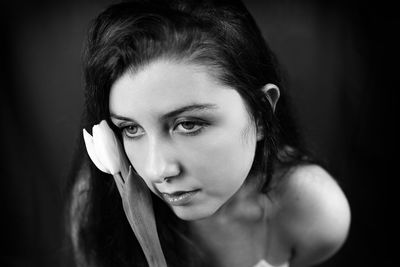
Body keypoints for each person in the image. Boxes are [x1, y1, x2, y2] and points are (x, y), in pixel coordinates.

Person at [66, 0, 351, 266]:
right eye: (131, 128)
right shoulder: (99, 207)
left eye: (188, 124)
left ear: (262, 112)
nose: (156, 170)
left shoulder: (313, 212)